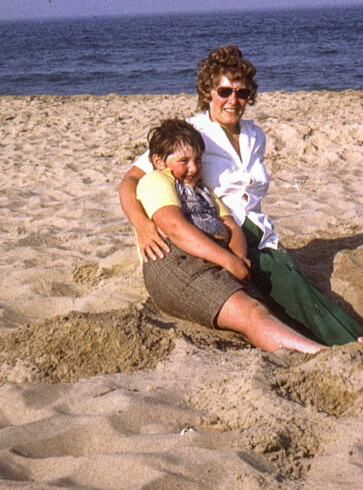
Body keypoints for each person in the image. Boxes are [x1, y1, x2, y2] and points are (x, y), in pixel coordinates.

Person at [119, 44, 363, 347]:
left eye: (241, 93)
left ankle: (345, 343)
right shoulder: (191, 134)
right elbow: (131, 180)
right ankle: (359, 346)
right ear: (208, 93)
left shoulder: (255, 136)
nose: (233, 100)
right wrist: (143, 226)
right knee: (293, 290)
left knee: (297, 287)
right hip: (219, 232)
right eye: (224, 91)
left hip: (257, 233)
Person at [136, 118, 325, 354]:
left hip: (214, 258)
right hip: (174, 261)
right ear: (158, 161)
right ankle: (319, 355)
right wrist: (228, 261)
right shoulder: (156, 180)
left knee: (265, 307)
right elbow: (173, 226)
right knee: (251, 312)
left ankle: (323, 346)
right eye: (183, 161)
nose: (193, 168)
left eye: (197, 160)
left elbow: (231, 226)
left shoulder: (203, 191)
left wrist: (238, 258)